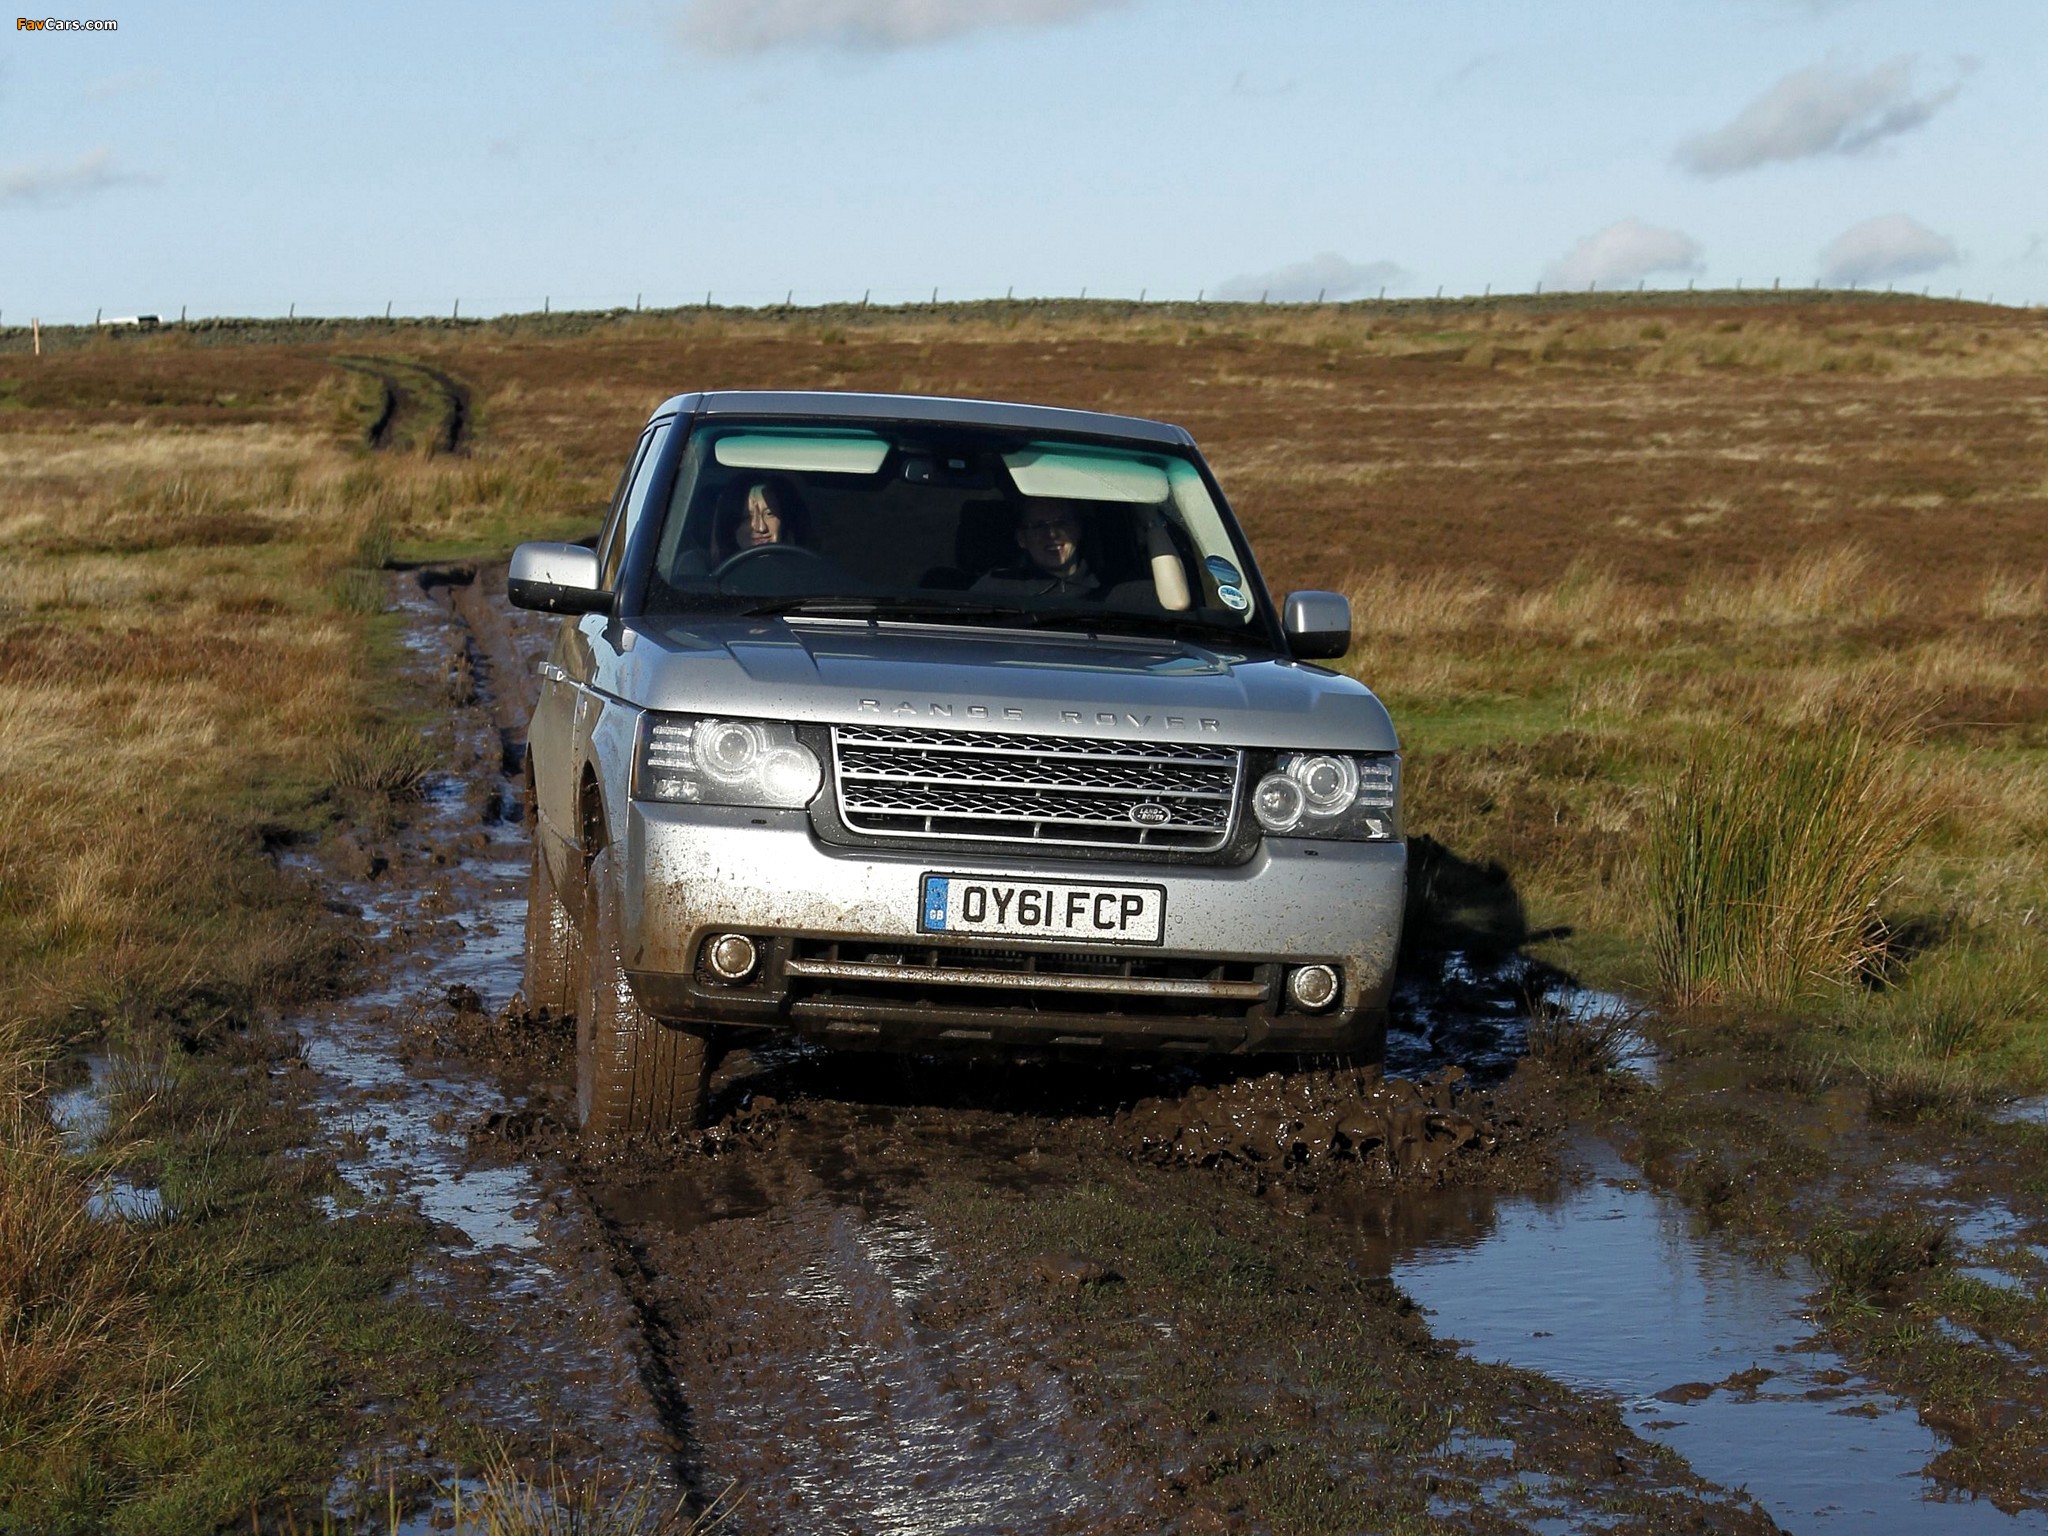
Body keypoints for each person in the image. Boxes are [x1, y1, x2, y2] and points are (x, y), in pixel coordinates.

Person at [971, 500, 1101, 600]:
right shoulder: (994, 589)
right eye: (1039, 526)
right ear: (1022, 539)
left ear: (1078, 529)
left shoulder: (1115, 593)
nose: (1052, 534)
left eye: (1061, 523)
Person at [713, 478, 805, 562]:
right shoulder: (720, 577)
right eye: (747, 517)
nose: (761, 528)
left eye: (769, 514)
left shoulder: (805, 573)